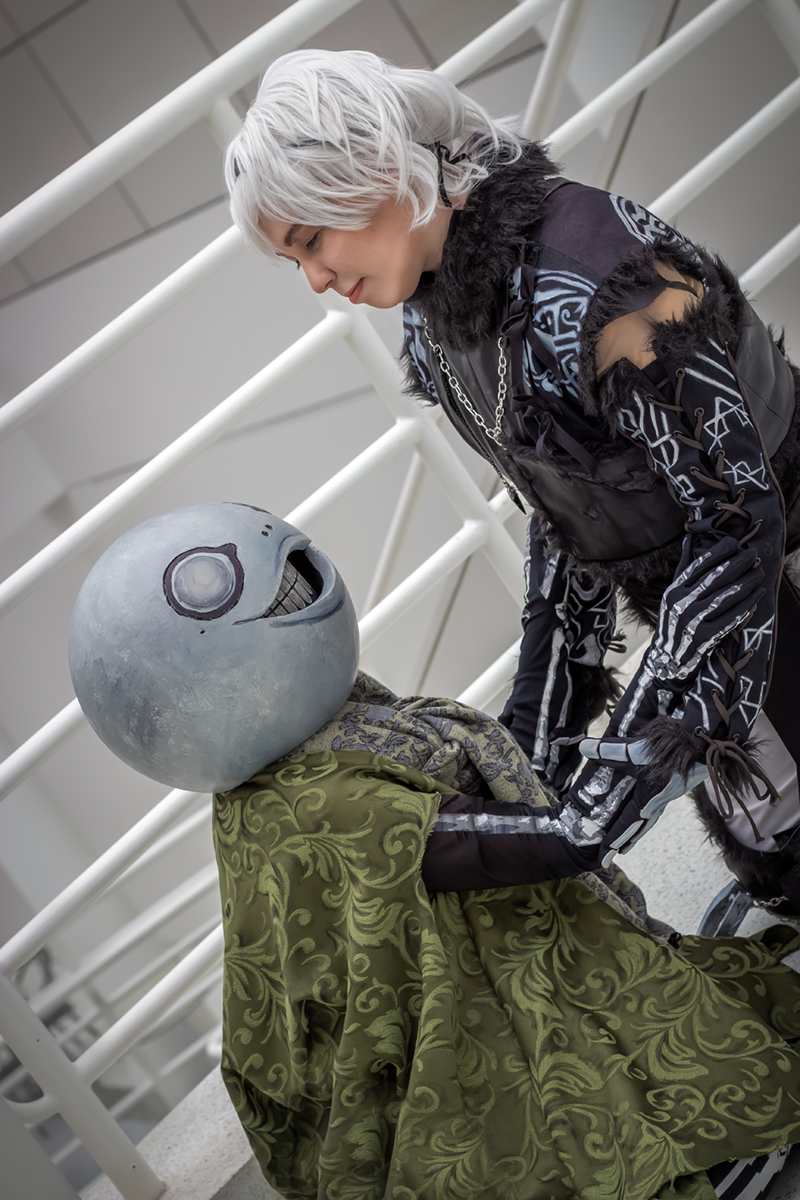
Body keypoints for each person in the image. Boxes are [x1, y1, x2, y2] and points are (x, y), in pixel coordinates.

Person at [70, 502, 800, 1200]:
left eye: (298, 578)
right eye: (285, 593)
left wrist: (557, 602)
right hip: (475, 1060)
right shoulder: (327, 808)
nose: (306, 591)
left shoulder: (291, 768)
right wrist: (668, 668)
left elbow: (511, 782)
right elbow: (563, 836)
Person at [224, 48, 800, 912]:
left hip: (772, 584)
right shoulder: (435, 329)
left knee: (778, 841)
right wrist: (529, 762)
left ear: (374, 167)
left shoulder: (606, 278)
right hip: (710, 624)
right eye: (292, 259)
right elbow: (567, 519)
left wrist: (598, 794)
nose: (316, 281)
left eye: (311, 240)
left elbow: (740, 521)